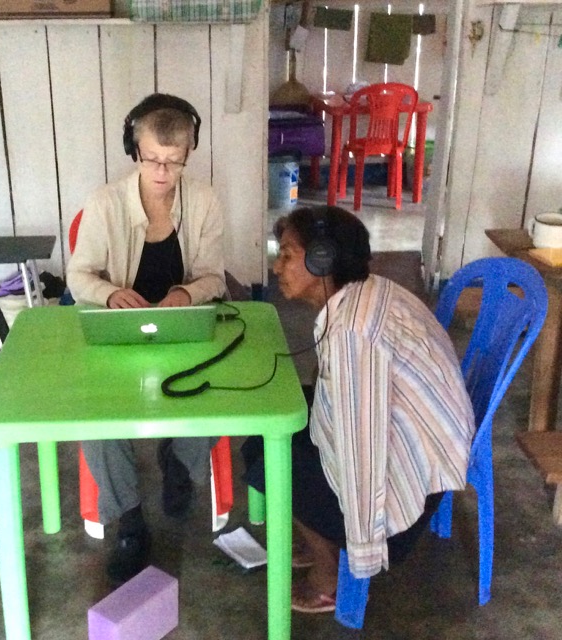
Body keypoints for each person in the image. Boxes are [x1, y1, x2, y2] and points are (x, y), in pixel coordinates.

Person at [242, 205, 475, 613]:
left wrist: (363, 546)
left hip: (411, 487)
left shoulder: (353, 333)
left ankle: (330, 572)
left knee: (268, 463)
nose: (277, 267)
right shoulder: (364, 294)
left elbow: (361, 451)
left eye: (288, 255)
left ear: (322, 261)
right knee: (271, 427)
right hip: (423, 447)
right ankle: (319, 534)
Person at [67, 93, 227, 585]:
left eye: (173, 162)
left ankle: (179, 465)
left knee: (212, 390)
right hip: (118, 333)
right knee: (96, 416)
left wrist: (186, 292)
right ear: (135, 150)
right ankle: (130, 520)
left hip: (183, 329)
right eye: (153, 159)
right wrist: (111, 294)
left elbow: (215, 278)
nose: (161, 171)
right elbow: (78, 277)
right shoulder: (104, 203)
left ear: (188, 155)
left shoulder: (204, 201)